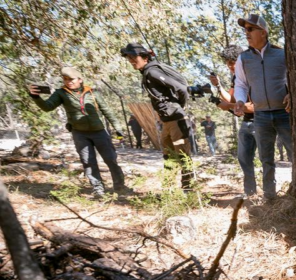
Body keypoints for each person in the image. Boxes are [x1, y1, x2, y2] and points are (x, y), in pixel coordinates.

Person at [29, 67, 127, 197]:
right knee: (88, 162)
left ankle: (120, 186)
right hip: (79, 133)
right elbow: (47, 107)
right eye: (65, 79)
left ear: (80, 80)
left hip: (99, 132)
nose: (68, 82)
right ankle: (98, 189)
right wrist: (35, 97)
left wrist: (118, 128)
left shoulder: (92, 92)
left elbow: (107, 111)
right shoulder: (61, 93)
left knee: (111, 159)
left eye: (71, 79)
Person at [121, 42, 194, 192]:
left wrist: (178, 107)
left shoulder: (152, 72)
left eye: (134, 57)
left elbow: (181, 89)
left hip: (176, 120)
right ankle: (168, 191)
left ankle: (188, 191)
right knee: (169, 157)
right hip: (167, 122)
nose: (132, 61)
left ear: (145, 58)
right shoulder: (147, 73)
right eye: (129, 58)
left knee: (183, 157)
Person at [233, 14, 291, 199]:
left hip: (285, 114)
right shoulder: (243, 58)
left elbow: (294, 79)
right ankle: (270, 197)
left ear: (263, 33)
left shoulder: (282, 54)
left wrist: (292, 94)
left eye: (250, 29)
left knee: (295, 155)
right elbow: (241, 84)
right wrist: (240, 101)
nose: (246, 33)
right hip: (261, 116)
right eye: (245, 30)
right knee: (266, 159)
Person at [211, 45, 263, 197]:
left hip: (261, 121)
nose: (231, 66)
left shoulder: (254, 75)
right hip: (246, 123)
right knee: (244, 158)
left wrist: (229, 106)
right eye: (228, 63)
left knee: (265, 159)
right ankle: (250, 193)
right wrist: (218, 86)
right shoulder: (236, 77)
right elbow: (233, 100)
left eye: (233, 62)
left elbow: (257, 106)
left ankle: (269, 194)